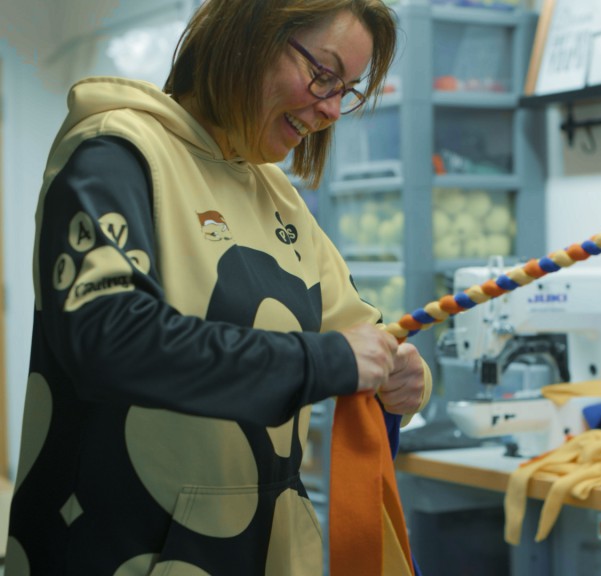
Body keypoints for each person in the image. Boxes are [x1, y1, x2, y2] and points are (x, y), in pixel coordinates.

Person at [6, 1, 430, 574]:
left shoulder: (275, 195)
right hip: (124, 549)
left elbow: (364, 337)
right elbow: (108, 338)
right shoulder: (115, 152)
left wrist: (403, 374)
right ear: (248, 34)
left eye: (346, 90)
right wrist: (327, 360)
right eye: (323, 75)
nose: (331, 109)